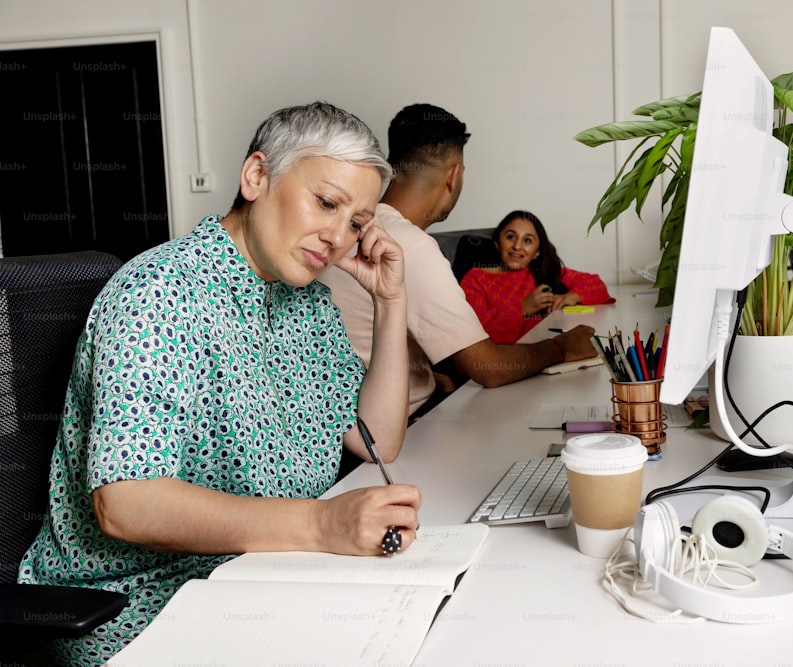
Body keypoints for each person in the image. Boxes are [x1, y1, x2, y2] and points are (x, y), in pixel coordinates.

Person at [17, 102, 420, 666]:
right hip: (135, 605)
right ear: (257, 177)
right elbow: (126, 503)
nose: (337, 236)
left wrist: (391, 301)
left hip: (265, 574)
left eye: (356, 222)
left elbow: (378, 436)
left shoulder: (308, 305)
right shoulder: (157, 293)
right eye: (326, 202)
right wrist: (320, 523)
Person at [319, 103, 596, 419]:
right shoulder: (410, 246)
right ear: (453, 176)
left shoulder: (352, 228)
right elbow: (487, 368)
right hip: (402, 428)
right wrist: (562, 347)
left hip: (351, 421)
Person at [461, 210, 614, 344]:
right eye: (510, 237)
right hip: (502, 363)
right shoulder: (475, 279)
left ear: (537, 252)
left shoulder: (543, 272)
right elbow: (475, 335)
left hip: (546, 353)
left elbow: (595, 284)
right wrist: (522, 308)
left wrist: (572, 297)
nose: (517, 246)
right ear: (497, 243)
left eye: (527, 240)